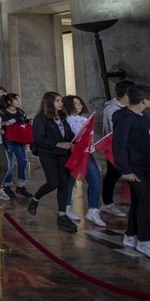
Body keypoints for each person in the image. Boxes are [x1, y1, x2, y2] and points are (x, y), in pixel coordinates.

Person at [114, 84, 150, 260]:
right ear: (143, 100)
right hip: (133, 168)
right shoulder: (125, 119)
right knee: (147, 202)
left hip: (146, 166)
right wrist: (125, 170)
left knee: (138, 202)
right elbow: (119, 146)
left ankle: (130, 235)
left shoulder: (144, 118)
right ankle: (145, 240)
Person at [27, 92, 78, 233]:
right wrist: (57, 144)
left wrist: (74, 143)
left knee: (64, 183)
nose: (61, 103)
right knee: (53, 182)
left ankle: (62, 215)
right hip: (48, 153)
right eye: (57, 101)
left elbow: (69, 134)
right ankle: (35, 198)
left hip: (63, 155)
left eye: (61, 100)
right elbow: (39, 138)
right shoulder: (41, 119)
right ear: (49, 103)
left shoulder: (62, 117)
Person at [62, 94, 105, 227]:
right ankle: (67, 207)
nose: (79, 105)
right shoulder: (66, 120)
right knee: (70, 181)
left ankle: (93, 210)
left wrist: (92, 146)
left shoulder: (84, 119)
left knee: (96, 179)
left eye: (80, 102)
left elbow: (88, 137)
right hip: (71, 154)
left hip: (86, 154)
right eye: (75, 103)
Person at [100, 79, 134, 218]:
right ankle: (107, 203)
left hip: (127, 148)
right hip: (115, 148)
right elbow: (113, 130)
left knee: (113, 175)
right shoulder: (112, 109)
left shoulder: (127, 107)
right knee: (113, 174)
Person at [0, 93, 28, 199]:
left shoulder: (21, 112)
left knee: (23, 161)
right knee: (9, 164)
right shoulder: (2, 113)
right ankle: (6, 186)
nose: (18, 102)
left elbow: (23, 125)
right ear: (9, 102)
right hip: (8, 141)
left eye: (18, 100)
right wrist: (3, 125)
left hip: (19, 141)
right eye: (16, 100)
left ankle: (21, 185)